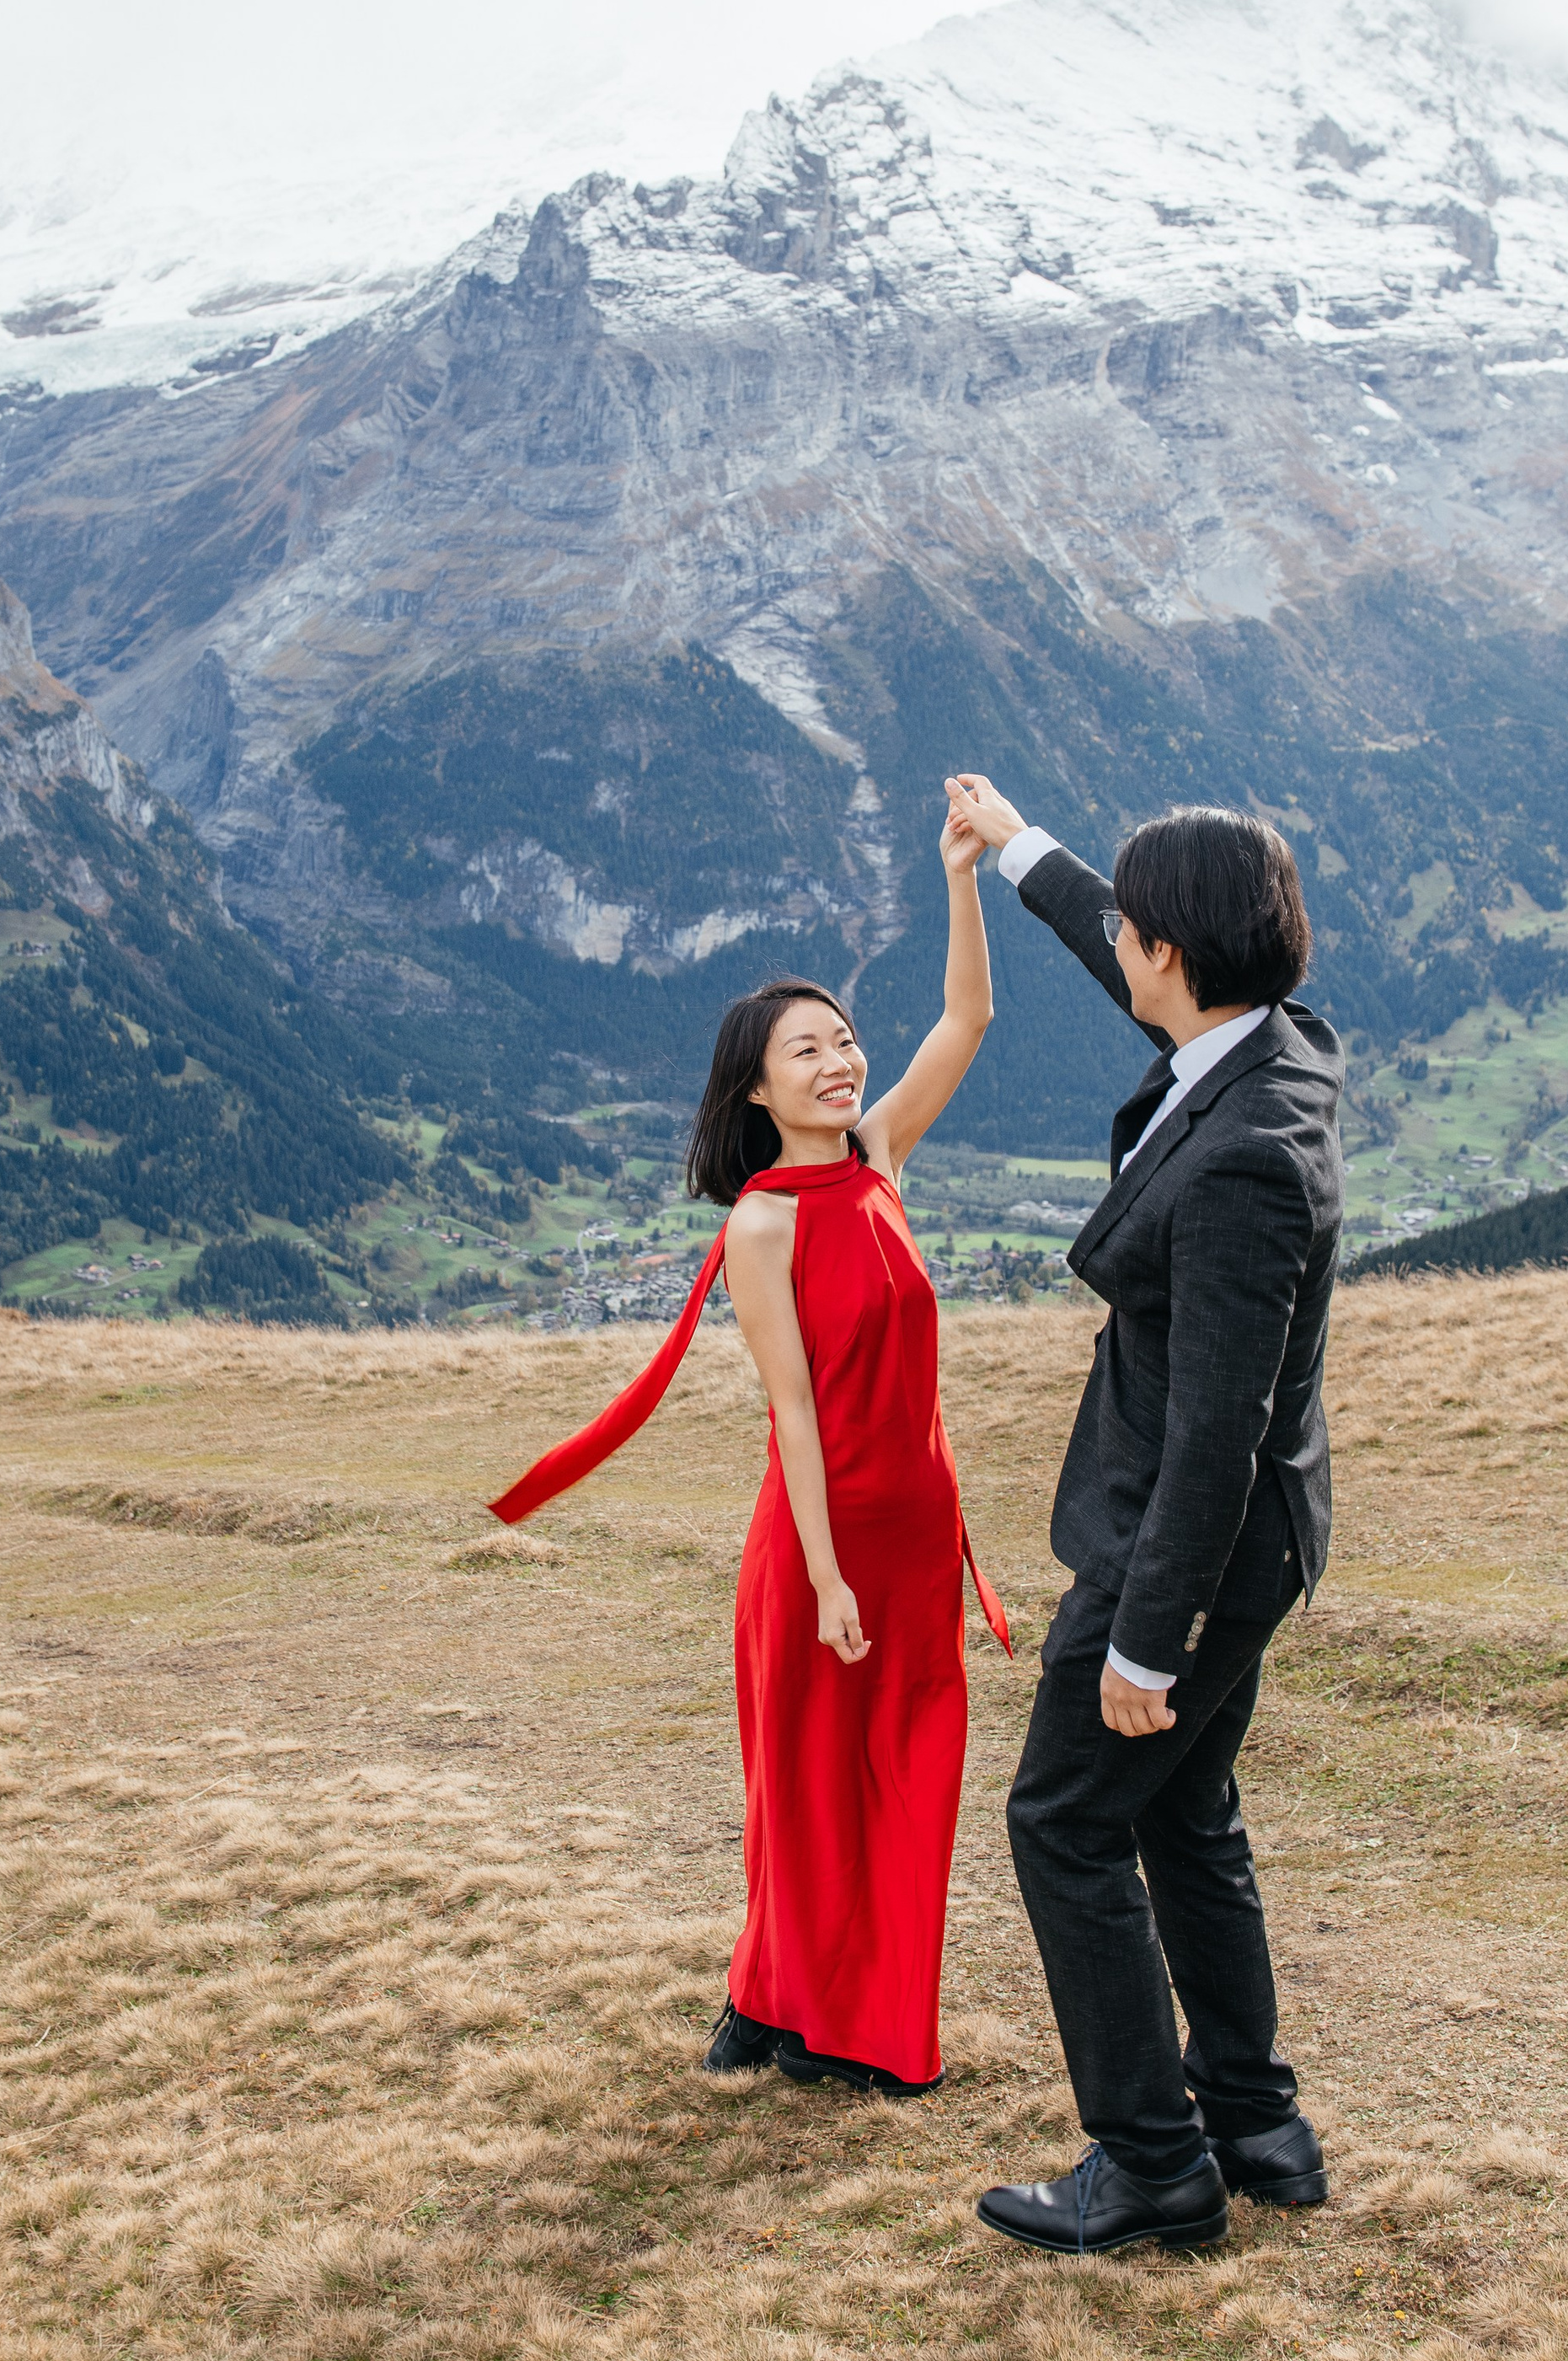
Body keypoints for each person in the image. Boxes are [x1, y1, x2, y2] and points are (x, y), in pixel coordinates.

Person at [487, 800, 1007, 2101]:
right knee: (812, 1792)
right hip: (823, 1546)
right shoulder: (763, 1226)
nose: (838, 1065)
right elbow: (793, 1415)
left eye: (844, 1042)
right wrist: (827, 1579)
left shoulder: (881, 1158)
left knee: (909, 1775)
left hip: (914, 1534)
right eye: (806, 1052)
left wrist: (962, 879)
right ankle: (799, 2010)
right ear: (757, 1089)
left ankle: (830, 2014)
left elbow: (967, 1024)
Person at [941, 777, 1342, 2255]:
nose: (1116, 940)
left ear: (1172, 955)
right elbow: (1107, 923)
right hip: (1250, 1542)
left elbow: (1216, 1438)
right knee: (1183, 1810)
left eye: (1132, 926)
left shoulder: (1239, 1156)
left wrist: (1145, 1648)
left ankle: (1152, 2160)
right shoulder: (1263, 1045)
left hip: (1189, 1550)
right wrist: (1010, 836)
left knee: (1062, 1819)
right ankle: (1254, 2116)